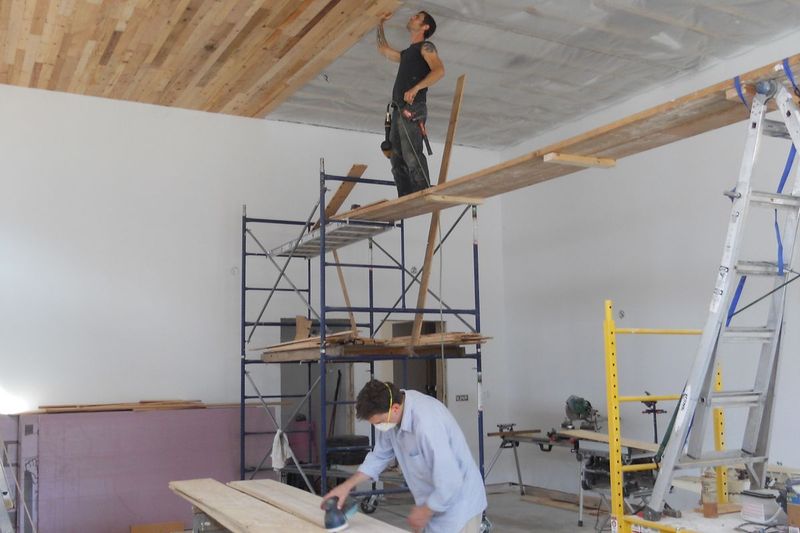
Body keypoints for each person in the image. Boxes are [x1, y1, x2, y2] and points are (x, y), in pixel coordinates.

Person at [321, 380, 486, 532]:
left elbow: (450, 479)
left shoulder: (427, 423)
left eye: (379, 422)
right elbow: (379, 457)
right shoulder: (393, 414)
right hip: (432, 503)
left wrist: (426, 510)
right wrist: (346, 486)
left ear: (395, 408)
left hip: (459, 506)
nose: (379, 427)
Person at [377, 11, 445, 197]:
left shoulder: (426, 47)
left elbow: (439, 71)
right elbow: (383, 49)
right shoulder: (407, 53)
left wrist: (416, 88)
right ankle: (405, 196)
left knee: (411, 153)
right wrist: (379, 23)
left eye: (417, 17)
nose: (412, 17)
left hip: (412, 108)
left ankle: (423, 191)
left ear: (425, 27)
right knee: (396, 157)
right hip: (399, 109)